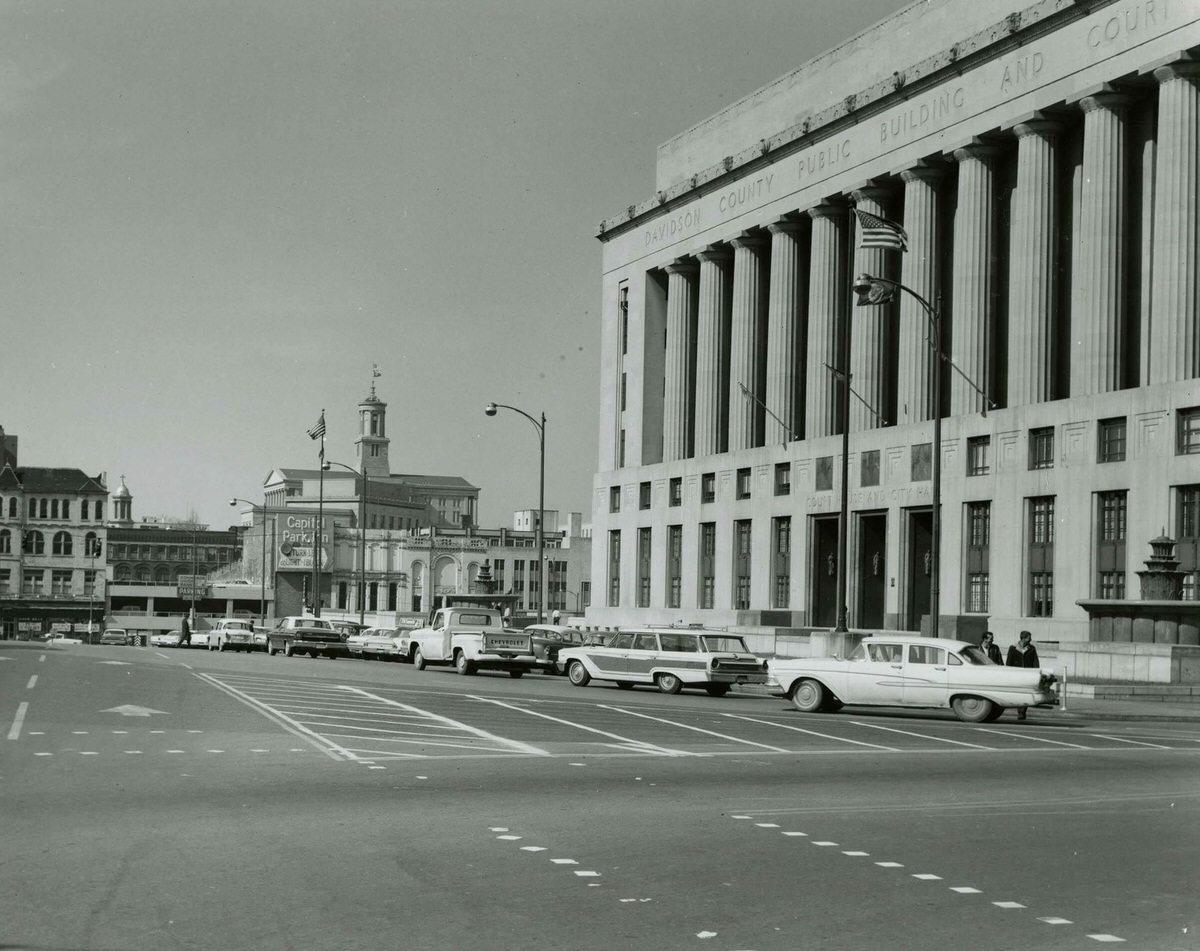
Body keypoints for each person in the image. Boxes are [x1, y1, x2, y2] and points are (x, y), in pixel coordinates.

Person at [1006, 630, 1040, 719]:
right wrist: (1009, 673)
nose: (1030, 639)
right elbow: (1009, 662)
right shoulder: (1013, 648)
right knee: (1018, 694)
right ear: (1024, 638)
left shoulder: (1032, 648)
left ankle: (1022, 712)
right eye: (1029, 638)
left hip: (1027, 674)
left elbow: (1035, 662)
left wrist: (1036, 672)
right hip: (1016, 675)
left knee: (1025, 693)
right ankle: (1019, 710)